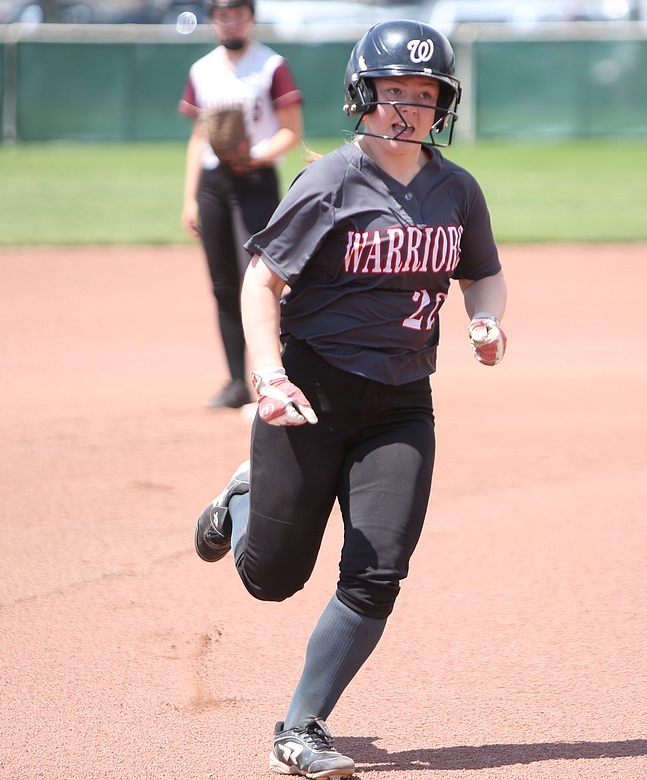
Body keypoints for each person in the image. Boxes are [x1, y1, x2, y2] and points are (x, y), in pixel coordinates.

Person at [192, 19, 508, 778]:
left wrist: (489, 316)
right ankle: (243, 498)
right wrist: (266, 376)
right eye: (394, 91)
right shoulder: (330, 180)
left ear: (444, 105)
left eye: (425, 94)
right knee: (272, 578)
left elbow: (483, 272)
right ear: (363, 97)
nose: (409, 108)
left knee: (377, 570)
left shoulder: (457, 189)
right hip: (311, 392)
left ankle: (301, 728)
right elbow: (261, 282)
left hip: (402, 402)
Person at [179, 0, 305, 409]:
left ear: (251, 17)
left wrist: (256, 155)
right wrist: (189, 198)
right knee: (223, 286)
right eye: (222, 14)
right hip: (214, 183)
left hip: (255, 178)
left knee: (264, 280)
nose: (230, 21)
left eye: (237, 13)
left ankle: (283, 376)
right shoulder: (203, 69)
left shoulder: (271, 66)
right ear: (213, 20)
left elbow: (292, 132)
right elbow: (200, 137)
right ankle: (236, 382)